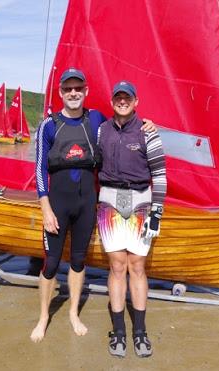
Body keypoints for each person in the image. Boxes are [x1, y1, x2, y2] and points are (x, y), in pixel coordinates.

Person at [31, 68, 155, 343]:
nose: (73, 93)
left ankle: (74, 313)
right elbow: (40, 168)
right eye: (67, 89)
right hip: (58, 205)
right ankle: (43, 317)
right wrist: (45, 208)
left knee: (78, 261)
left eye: (78, 88)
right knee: (50, 264)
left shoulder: (96, 120)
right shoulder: (49, 125)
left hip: (87, 205)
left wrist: (148, 124)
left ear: (86, 91)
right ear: (61, 93)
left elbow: (123, 126)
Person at [97, 81, 166, 358]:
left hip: (140, 201)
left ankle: (139, 332)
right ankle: (119, 332)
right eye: (118, 97)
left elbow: (160, 176)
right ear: (113, 101)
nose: (122, 101)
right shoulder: (101, 130)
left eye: (127, 97)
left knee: (137, 266)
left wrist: (157, 213)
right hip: (109, 201)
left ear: (136, 101)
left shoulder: (149, 133)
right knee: (116, 266)